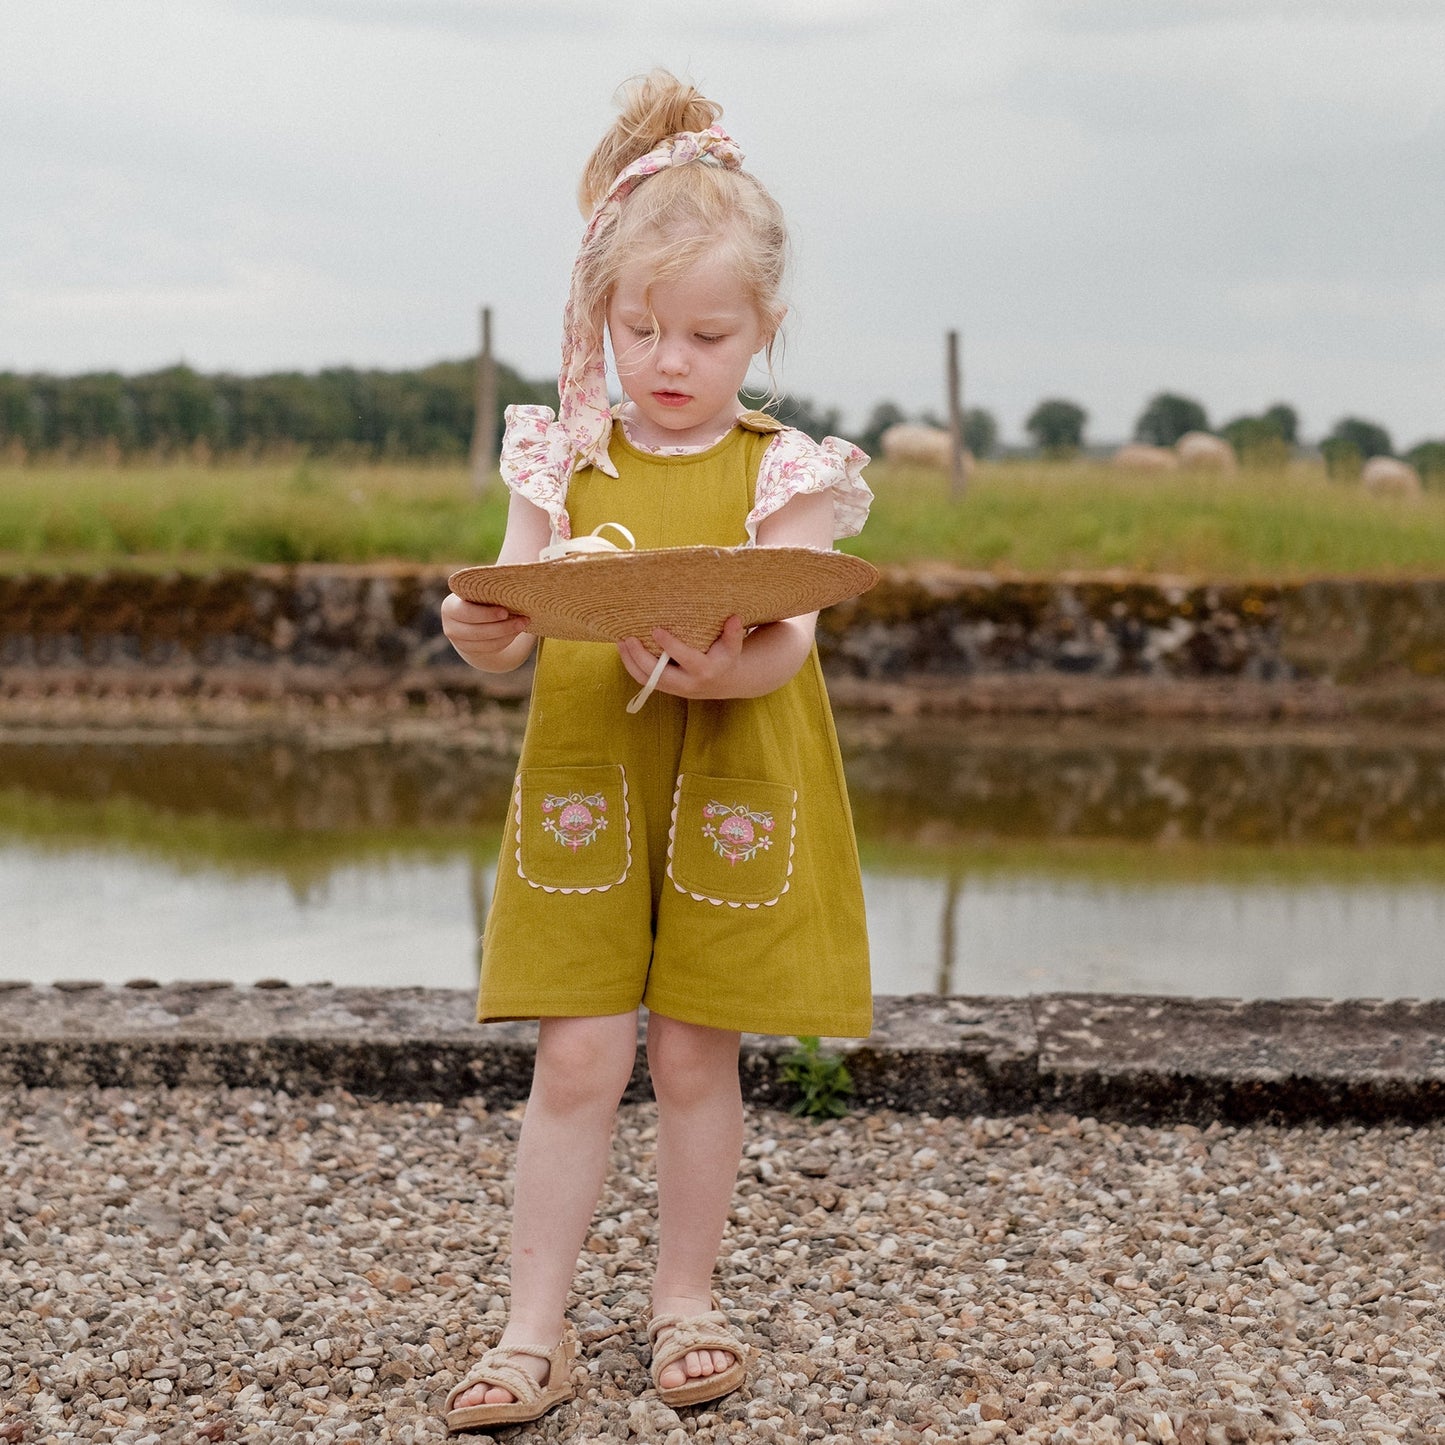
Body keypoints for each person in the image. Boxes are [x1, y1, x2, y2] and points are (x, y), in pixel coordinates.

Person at [438, 68, 873, 1433]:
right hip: (587, 782)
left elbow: (793, 639)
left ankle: (684, 1297)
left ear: (761, 331)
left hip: (732, 771)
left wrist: (720, 662)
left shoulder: (786, 473)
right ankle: (533, 1326)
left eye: (703, 332)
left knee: (694, 1054)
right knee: (574, 1056)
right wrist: (476, 624)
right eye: (640, 329)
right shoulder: (555, 457)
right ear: (601, 321)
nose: (668, 360)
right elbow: (509, 618)